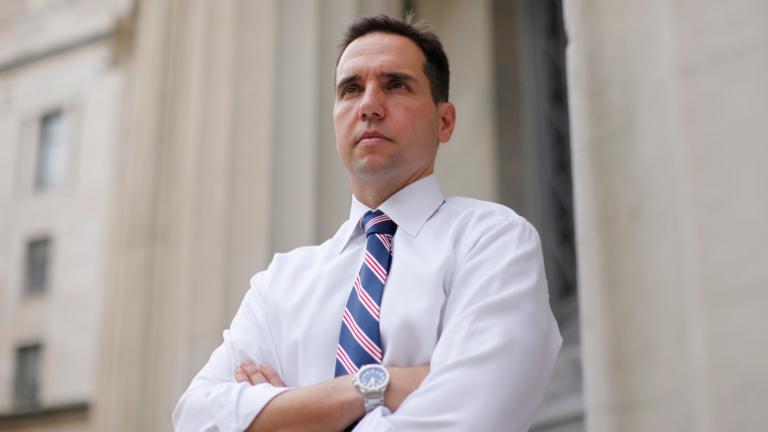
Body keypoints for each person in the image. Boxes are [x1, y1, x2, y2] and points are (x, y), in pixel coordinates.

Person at [173, 14, 561, 432]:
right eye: (351, 89)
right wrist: (374, 386)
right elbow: (195, 416)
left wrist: (289, 412)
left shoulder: (492, 241)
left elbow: (471, 414)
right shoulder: (279, 284)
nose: (369, 107)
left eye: (396, 85)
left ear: (444, 121)